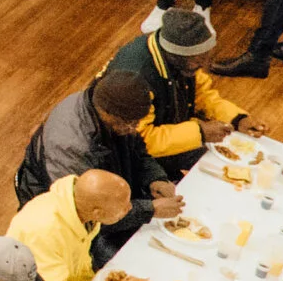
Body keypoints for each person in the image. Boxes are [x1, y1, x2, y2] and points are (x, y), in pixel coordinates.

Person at [104, 4, 255, 176]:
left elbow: (201, 94)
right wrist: (199, 132)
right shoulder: (136, 80)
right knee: (223, 171)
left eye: (206, 55)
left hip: (170, 133)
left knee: (237, 164)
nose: (204, 64)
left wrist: (235, 117)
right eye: (197, 59)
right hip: (128, 155)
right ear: (174, 55)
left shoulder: (181, 61)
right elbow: (140, 139)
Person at [12, 73, 171, 236]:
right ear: (109, 113)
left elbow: (137, 150)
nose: (135, 128)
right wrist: (149, 210)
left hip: (109, 198)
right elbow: (92, 214)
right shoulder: (73, 146)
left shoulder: (110, 109)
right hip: (67, 223)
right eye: (131, 123)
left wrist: (154, 178)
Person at [6, 169, 162, 281]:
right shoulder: (45, 231)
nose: (129, 208)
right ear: (97, 212)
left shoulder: (81, 207)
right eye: (123, 206)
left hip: (79, 279)